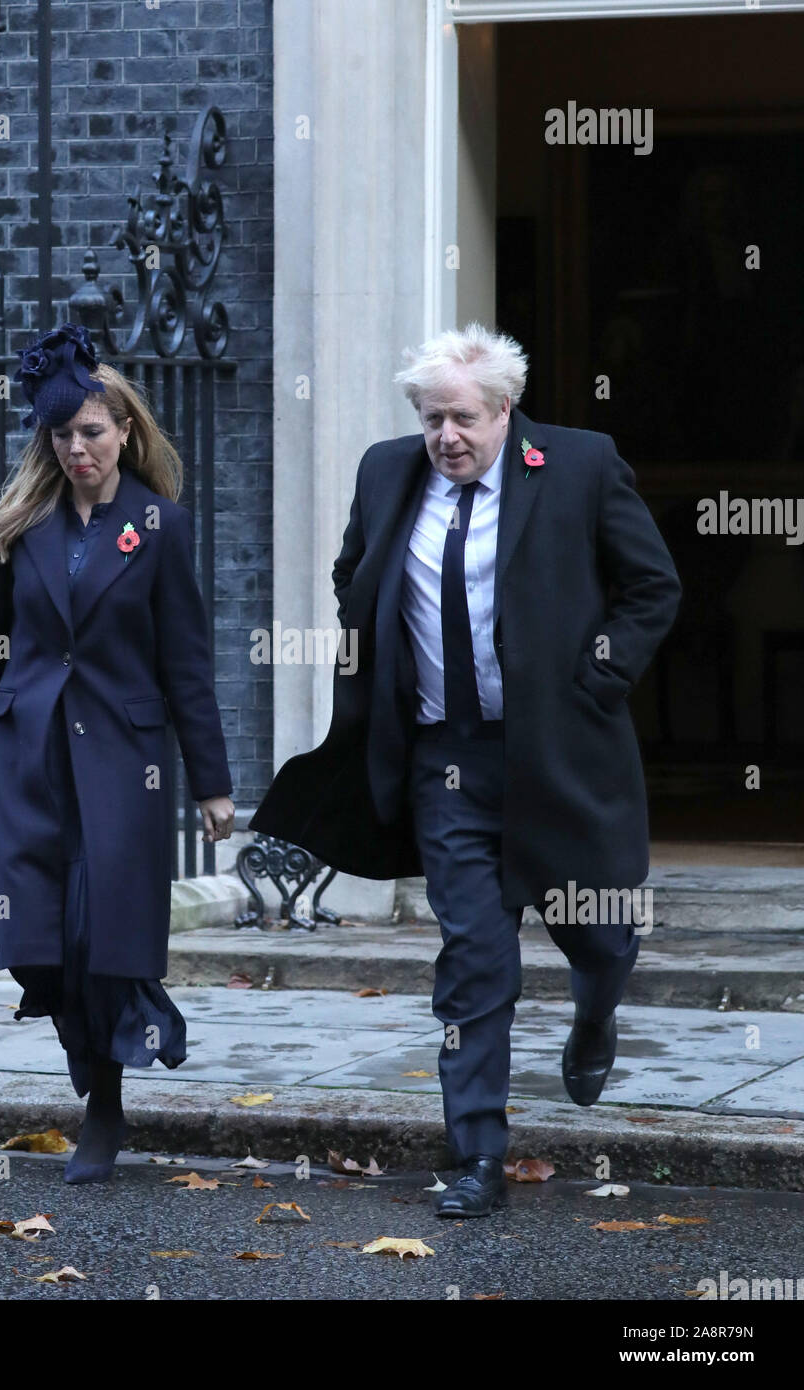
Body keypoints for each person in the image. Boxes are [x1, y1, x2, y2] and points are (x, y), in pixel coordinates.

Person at [248, 322, 682, 1219]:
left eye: (463, 419)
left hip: (561, 757)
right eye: (432, 417)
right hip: (445, 763)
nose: (446, 436)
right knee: (476, 960)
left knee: (600, 935)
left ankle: (596, 1012)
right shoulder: (386, 471)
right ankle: (476, 1153)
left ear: (505, 412)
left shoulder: (581, 466)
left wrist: (597, 677)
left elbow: (653, 587)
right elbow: (351, 570)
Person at [0, 322, 234, 1184]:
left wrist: (212, 786)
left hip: (124, 760)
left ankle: (103, 1106)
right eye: (63, 435)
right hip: (32, 753)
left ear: (126, 434)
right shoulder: (23, 527)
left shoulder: (160, 526)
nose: (78, 448)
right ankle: (92, 1040)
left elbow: (186, 660)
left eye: (93, 433)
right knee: (39, 942)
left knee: (101, 931)